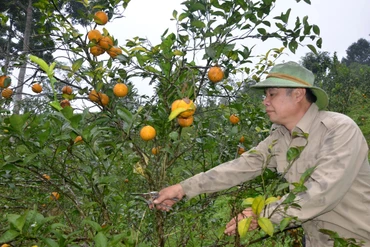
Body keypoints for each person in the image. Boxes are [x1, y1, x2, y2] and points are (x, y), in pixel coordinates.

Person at [152, 61, 370, 247]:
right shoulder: (280, 137)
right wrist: (183, 188)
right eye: (265, 95)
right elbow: (240, 167)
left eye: (272, 94)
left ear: (297, 94)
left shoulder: (338, 129)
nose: (265, 101)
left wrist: (261, 216)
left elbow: (322, 193)